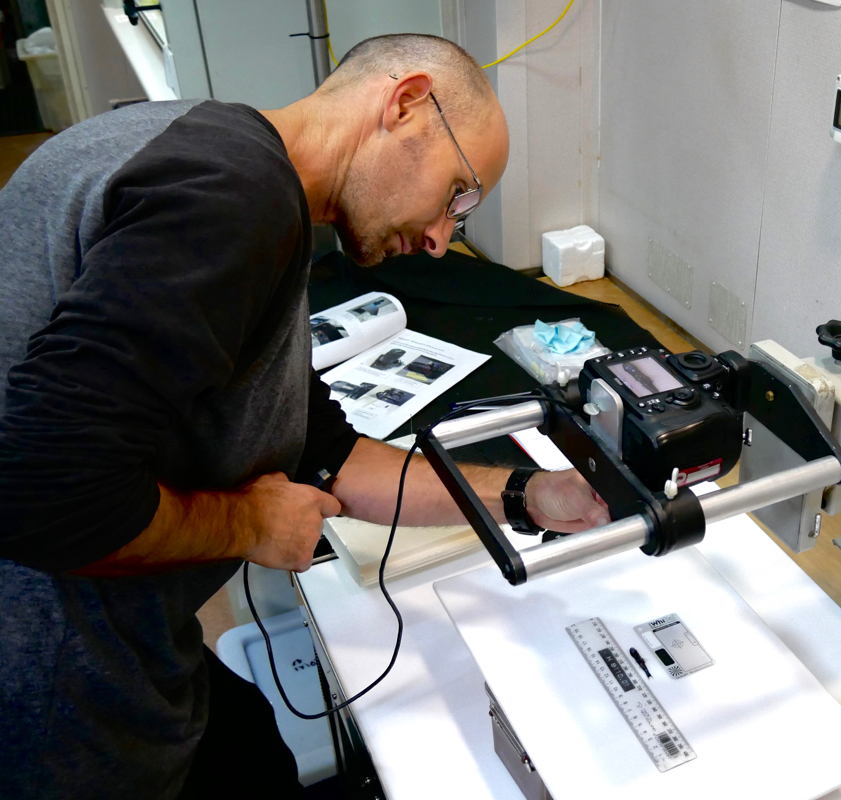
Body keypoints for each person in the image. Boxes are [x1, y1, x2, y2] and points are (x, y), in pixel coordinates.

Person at [0, 34, 610, 799]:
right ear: (405, 103)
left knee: (252, 749)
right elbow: (42, 493)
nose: (440, 238)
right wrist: (245, 525)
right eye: (459, 194)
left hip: (127, 646)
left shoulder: (216, 152)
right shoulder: (234, 197)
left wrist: (525, 494)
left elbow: (323, 454)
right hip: (55, 692)